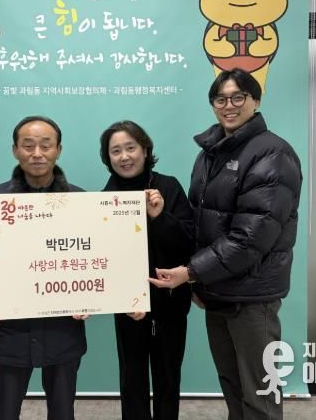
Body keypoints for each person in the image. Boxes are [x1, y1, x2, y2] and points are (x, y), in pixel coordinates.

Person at [149, 68, 302, 420]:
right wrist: (198, 279)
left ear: (255, 100)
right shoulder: (209, 154)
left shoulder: (273, 155)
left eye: (238, 97)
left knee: (260, 393)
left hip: (252, 296)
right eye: (220, 99)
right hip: (217, 289)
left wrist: (192, 273)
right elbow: (201, 224)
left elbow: (251, 237)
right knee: (232, 384)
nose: (228, 106)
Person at [0, 116, 87, 420]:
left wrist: (89, 297)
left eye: (46, 145)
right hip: (8, 329)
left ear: (58, 150)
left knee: (63, 412)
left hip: (62, 329)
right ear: (15, 150)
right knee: (5, 411)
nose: (37, 153)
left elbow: (93, 262)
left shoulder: (79, 202)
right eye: (28, 145)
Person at [99, 121, 195, 420]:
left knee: (168, 378)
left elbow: (189, 241)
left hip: (170, 303)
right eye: (116, 151)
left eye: (131, 148)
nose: (124, 156)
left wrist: (160, 216)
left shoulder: (168, 186)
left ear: (145, 150)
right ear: (108, 157)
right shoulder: (104, 198)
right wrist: (117, 297)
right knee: (132, 379)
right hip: (128, 307)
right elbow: (102, 258)